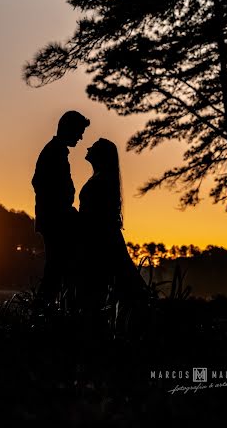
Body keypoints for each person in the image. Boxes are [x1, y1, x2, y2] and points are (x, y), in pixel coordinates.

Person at [78, 138, 147, 308]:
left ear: (101, 155)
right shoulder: (103, 180)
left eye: (92, 147)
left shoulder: (100, 182)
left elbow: (93, 217)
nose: (87, 147)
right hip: (100, 240)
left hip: (97, 242)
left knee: (97, 289)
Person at [32, 110, 90, 303]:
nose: (81, 137)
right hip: (56, 221)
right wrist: (63, 208)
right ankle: (42, 313)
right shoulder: (54, 152)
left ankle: (47, 312)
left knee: (57, 270)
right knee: (56, 270)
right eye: (79, 131)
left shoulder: (56, 151)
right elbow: (39, 183)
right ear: (69, 129)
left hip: (55, 219)